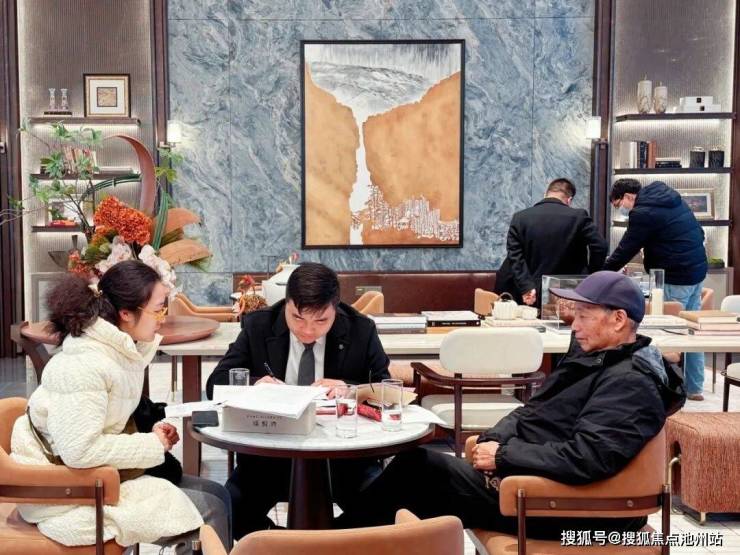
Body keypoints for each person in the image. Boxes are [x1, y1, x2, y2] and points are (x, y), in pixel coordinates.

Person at [335, 271, 685, 538]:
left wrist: (504, 456)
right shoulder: (593, 358)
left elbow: (587, 458)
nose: (574, 325)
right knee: (414, 475)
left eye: (584, 316)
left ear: (619, 319)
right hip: (532, 479)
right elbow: (533, 411)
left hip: (569, 507)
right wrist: (494, 438)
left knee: (419, 471)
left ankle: (330, 541)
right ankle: (340, 539)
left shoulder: (630, 382)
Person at [10, 261, 231, 553]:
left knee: (218, 495)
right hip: (64, 491)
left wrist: (150, 431)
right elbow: (79, 450)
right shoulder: (84, 365)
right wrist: (152, 444)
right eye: (158, 310)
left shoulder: (118, 352)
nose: (163, 318)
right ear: (126, 313)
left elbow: (105, 421)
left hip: (92, 476)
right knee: (211, 508)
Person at [206, 262, 390, 539]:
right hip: (269, 457)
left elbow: (386, 391)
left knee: (383, 506)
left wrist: (349, 389)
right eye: (298, 318)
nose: (307, 331)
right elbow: (215, 384)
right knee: (229, 507)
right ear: (286, 304)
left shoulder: (360, 330)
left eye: (321, 321)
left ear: (336, 309)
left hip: (344, 458)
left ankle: (324, 542)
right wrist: (255, 385)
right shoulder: (259, 326)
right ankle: (282, 544)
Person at [605, 179, 708, 400]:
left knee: (667, 332)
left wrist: (602, 272)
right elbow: (699, 233)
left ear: (628, 196)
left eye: (618, 205)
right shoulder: (670, 198)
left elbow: (627, 248)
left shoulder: (643, 212)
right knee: (692, 330)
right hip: (697, 271)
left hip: (675, 275)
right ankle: (695, 387)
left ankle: (667, 388)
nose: (621, 210)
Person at [495, 178, 607, 306]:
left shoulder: (520, 217)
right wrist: (589, 274)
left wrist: (526, 286)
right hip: (567, 293)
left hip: (530, 292)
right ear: (569, 200)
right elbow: (600, 246)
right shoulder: (579, 217)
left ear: (546, 194)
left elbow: (515, 256)